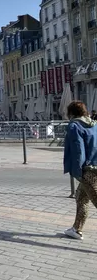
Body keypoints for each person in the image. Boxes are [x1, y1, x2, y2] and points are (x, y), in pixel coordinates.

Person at [63, 101, 97, 240]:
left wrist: (78, 171)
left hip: (87, 169)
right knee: (81, 198)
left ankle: (77, 229)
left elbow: (78, 150)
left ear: (71, 113)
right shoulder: (94, 124)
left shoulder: (74, 126)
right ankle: (77, 229)